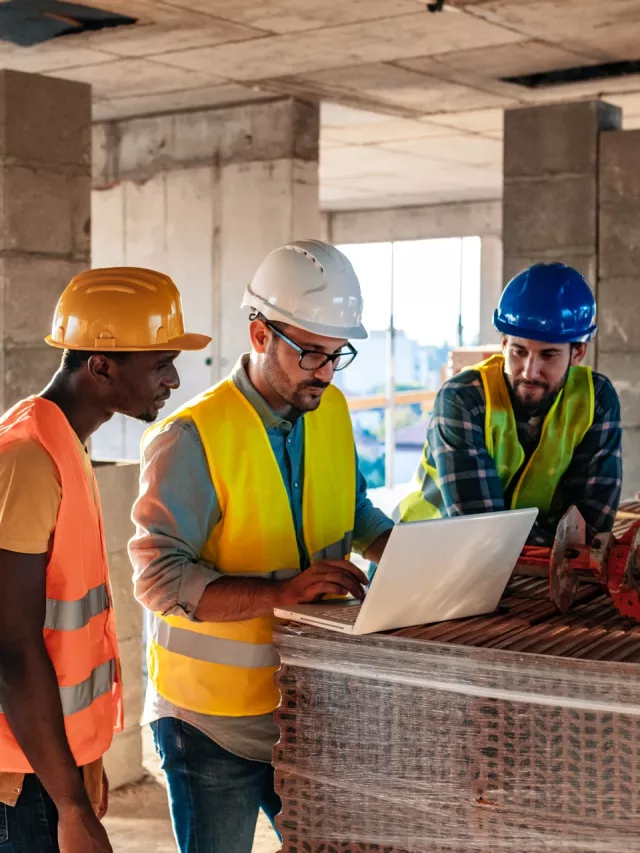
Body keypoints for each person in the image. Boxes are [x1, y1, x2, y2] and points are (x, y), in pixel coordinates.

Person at [130, 239, 394, 853]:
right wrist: (281, 595)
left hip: (310, 705)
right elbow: (158, 580)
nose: (325, 372)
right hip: (210, 723)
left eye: (337, 355)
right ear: (259, 335)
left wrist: (413, 555)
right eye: (310, 354)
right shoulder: (192, 436)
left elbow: (354, 512)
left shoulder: (332, 412)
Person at [0, 267, 210, 853]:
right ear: (101, 366)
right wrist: (69, 802)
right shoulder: (29, 459)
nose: (173, 377)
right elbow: (12, 649)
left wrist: (83, 768)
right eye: (160, 362)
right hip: (20, 782)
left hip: (49, 762)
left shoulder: (63, 444)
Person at [397, 262, 622, 545]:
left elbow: (589, 527)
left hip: (521, 568)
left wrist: (565, 542)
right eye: (519, 351)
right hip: (421, 558)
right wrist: (558, 540)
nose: (529, 371)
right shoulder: (463, 399)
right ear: (504, 343)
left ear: (578, 352)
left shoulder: (596, 400)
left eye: (548, 355)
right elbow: (482, 530)